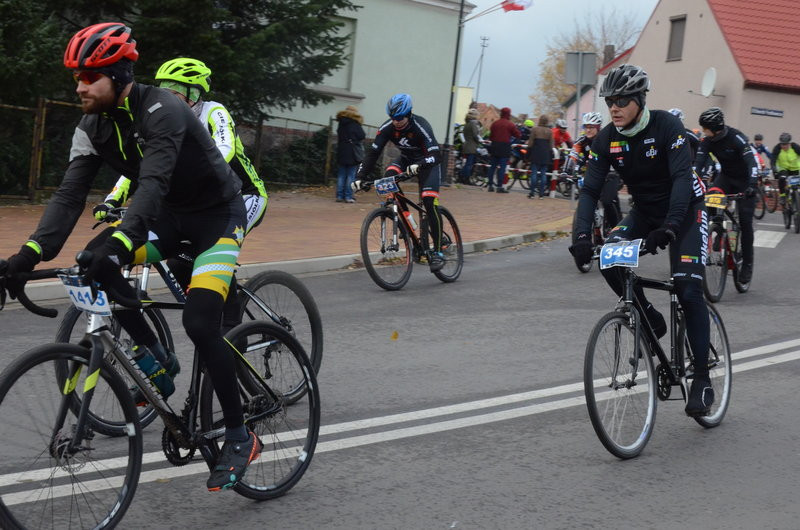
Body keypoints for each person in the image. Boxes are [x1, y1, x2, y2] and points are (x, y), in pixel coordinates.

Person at [0, 23, 262, 491]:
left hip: (217, 218)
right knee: (91, 263)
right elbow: (69, 195)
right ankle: (156, 359)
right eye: (77, 77)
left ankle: (241, 435)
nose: (79, 86)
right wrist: (27, 254)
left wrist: (124, 241)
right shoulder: (91, 125)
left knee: (201, 323)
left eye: (89, 77)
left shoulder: (164, 109)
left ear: (119, 75)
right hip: (170, 216)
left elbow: (154, 181)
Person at [569, 64, 713, 417]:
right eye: (609, 101)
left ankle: (703, 378)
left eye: (620, 100)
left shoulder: (667, 126)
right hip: (646, 212)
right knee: (608, 258)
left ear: (638, 99)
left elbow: (682, 178)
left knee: (687, 287)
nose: (613, 107)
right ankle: (650, 316)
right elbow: (589, 190)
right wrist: (582, 236)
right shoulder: (606, 139)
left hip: (687, 209)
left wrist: (671, 227)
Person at [94, 56, 268, 340]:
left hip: (243, 195)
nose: (170, 95)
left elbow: (223, 150)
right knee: (179, 259)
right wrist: (112, 199)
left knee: (205, 249)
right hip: (192, 202)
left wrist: (180, 168)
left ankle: (232, 323)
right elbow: (141, 165)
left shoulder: (214, 111)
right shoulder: (160, 116)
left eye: (179, 89)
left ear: (196, 93)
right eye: (166, 88)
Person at [352, 94, 446, 271]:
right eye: (392, 118)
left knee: (428, 201)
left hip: (428, 164)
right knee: (388, 178)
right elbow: (373, 153)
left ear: (409, 113)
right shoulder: (388, 128)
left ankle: (438, 251)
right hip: (406, 160)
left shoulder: (420, 125)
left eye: (399, 118)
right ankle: (407, 220)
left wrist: (421, 164)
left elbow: (436, 155)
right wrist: (359, 177)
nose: (395, 121)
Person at [693, 107, 757, 284]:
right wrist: (691, 181)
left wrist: (752, 185)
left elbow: (751, 162)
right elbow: (697, 164)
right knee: (707, 203)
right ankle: (717, 231)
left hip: (745, 181)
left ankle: (747, 264)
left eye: (705, 128)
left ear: (715, 127)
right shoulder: (707, 141)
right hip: (726, 178)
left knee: (745, 222)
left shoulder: (736, 138)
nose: (704, 131)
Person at [563, 112, 620, 228]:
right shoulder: (582, 141)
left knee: (607, 201)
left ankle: (616, 231)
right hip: (592, 175)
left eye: (591, 127)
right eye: (586, 127)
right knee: (586, 200)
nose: (588, 130)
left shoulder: (607, 138)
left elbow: (617, 156)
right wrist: (566, 171)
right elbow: (573, 154)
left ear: (598, 127)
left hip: (611, 173)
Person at [335, 105, 366, 203]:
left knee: (341, 175)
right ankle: (348, 196)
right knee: (351, 175)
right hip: (352, 152)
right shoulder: (355, 123)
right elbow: (362, 135)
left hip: (342, 150)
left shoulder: (341, 123)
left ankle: (339, 196)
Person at [486, 107, 520, 193]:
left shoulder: (495, 123)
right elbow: (518, 134)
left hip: (494, 146)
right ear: (508, 114)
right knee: (502, 167)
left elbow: (491, 136)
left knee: (492, 167)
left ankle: (490, 185)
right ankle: (499, 186)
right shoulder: (510, 124)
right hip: (504, 147)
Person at [526, 114, 553, 199]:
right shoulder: (550, 131)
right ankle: (541, 194)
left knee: (534, 173)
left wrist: (528, 154)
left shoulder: (535, 130)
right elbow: (551, 145)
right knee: (543, 174)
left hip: (536, 153)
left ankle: (532, 193)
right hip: (545, 154)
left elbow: (530, 143)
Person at [770, 132, 800, 204]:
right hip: (783, 168)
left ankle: (796, 201)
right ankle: (782, 196)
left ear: (789, 143)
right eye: (782, 144)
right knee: (782, 178)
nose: (783, 146)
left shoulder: (795, 147)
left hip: (795, 169)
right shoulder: (777, 148)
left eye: (785, 144)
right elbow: (773, 160)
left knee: (796, 187)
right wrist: (774, 170)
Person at [459, 108, 483, 184]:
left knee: (468, 164)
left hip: (466, 146)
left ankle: (462, 176)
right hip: (472, 147)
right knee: (469, 164)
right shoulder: (473, 124)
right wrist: (479, 141)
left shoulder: (467, 124)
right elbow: (476, 135)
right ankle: (465, 178)